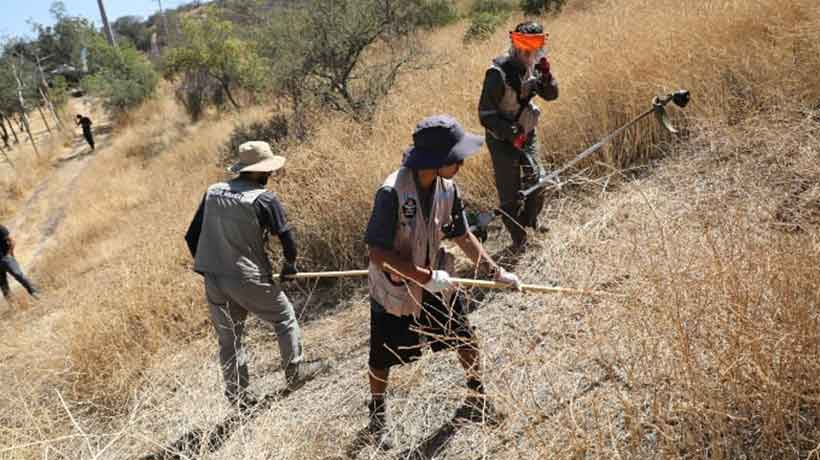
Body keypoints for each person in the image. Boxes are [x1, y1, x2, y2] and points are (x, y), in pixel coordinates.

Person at [364, 115, 523, 449]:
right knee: (382, 354)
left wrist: (496, 272)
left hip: (436, 275)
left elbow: (462, 235)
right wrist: (423, 277)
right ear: (435, 160)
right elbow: (377, 252)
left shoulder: (447, 189)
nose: (461, 164)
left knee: (464, 336)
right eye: (455, 158)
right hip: (395, 285)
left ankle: (476, 395)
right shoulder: (391, 192)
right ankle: (376, 415)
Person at [185, 141, 327, 411]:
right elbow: (287, 238)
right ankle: (295, 372)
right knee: (284, 317)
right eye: (268, 170)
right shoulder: (263, 199)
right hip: (248, 277)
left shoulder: (213, 192)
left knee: (230, 339)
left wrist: (209, 265)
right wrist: (290, 265)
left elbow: (192, 236)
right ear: (261, 171)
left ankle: (239, 398)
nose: (271, 174)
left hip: (214, 279)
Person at [478, 21, 559, 250]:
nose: (527, 51)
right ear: (514, 43)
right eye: (523, 44)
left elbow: (551, 95)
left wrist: (547, 77)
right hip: (500, 139)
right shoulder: (497, 74)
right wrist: (511, 133)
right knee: (509, 193)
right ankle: (518, 238)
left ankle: (531, 221)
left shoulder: (536, 66)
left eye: (534, 45)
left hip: (527, 132)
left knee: (537, 180)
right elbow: (485, 115)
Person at [0, 224, 39, 303]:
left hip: (5, 258)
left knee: (18, 275)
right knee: (3, 286)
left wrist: (9, 254)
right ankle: (13, 305)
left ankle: (35, 292)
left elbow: (11, 241)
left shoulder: (0, 228)